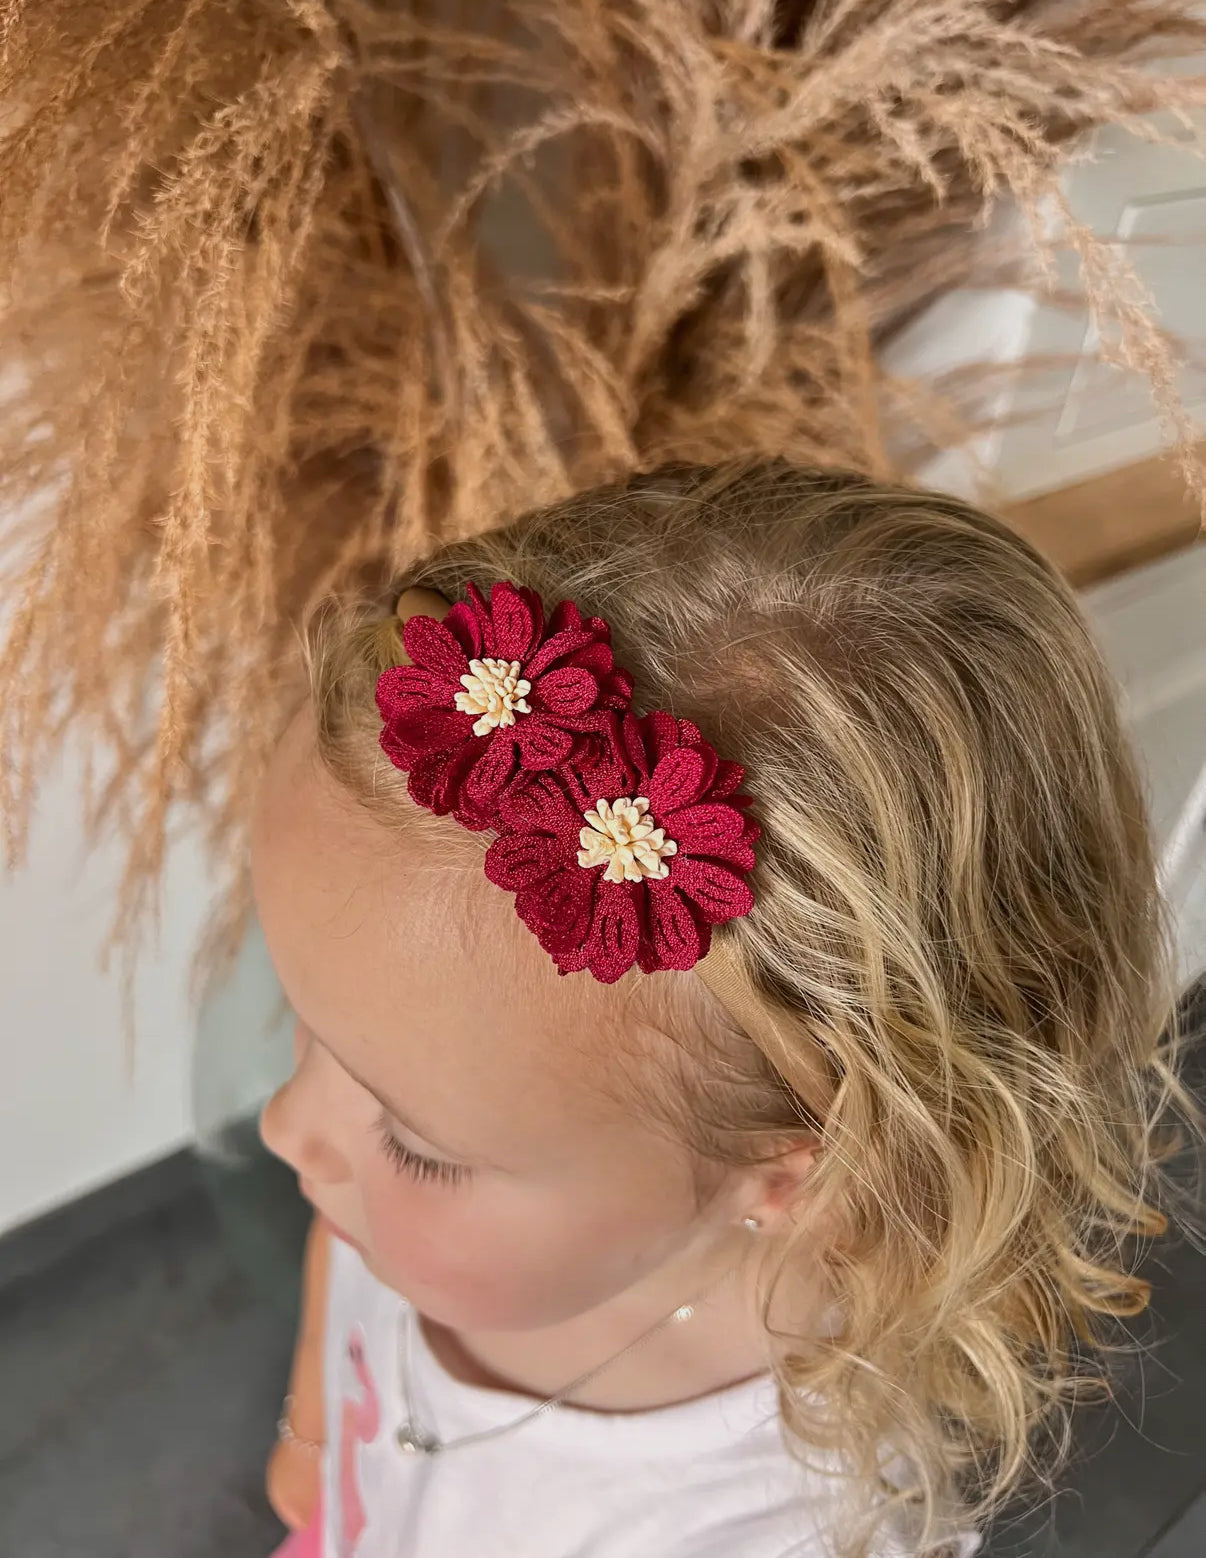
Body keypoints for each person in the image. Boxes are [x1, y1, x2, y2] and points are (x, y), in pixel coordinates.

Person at [251, 460, 1191, 1558]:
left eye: (413, 1143)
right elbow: (348, 1253)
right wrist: (316, 1440)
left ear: (797, 1171)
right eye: (311, 1028)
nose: (286, 1125)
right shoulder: (405, 1177)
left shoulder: (772, 1525)